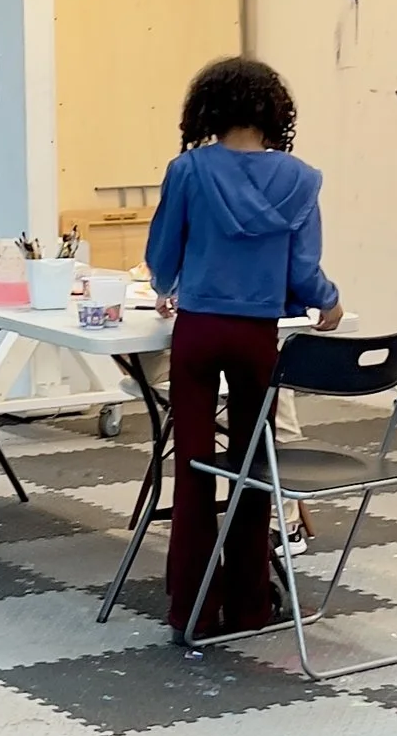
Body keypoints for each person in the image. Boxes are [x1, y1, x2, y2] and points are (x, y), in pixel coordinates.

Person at [145, 56, 342, 642]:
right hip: (260, 336)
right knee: (255, 468)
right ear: (274, 113)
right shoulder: (301, 179)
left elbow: (162, 253)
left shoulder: (188, 171)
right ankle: (251, 603)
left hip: (200, 330)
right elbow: (304, 270)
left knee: (193, 467)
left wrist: (165, 288)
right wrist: (329, 302)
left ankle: (192, 608)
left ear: (209, 109)